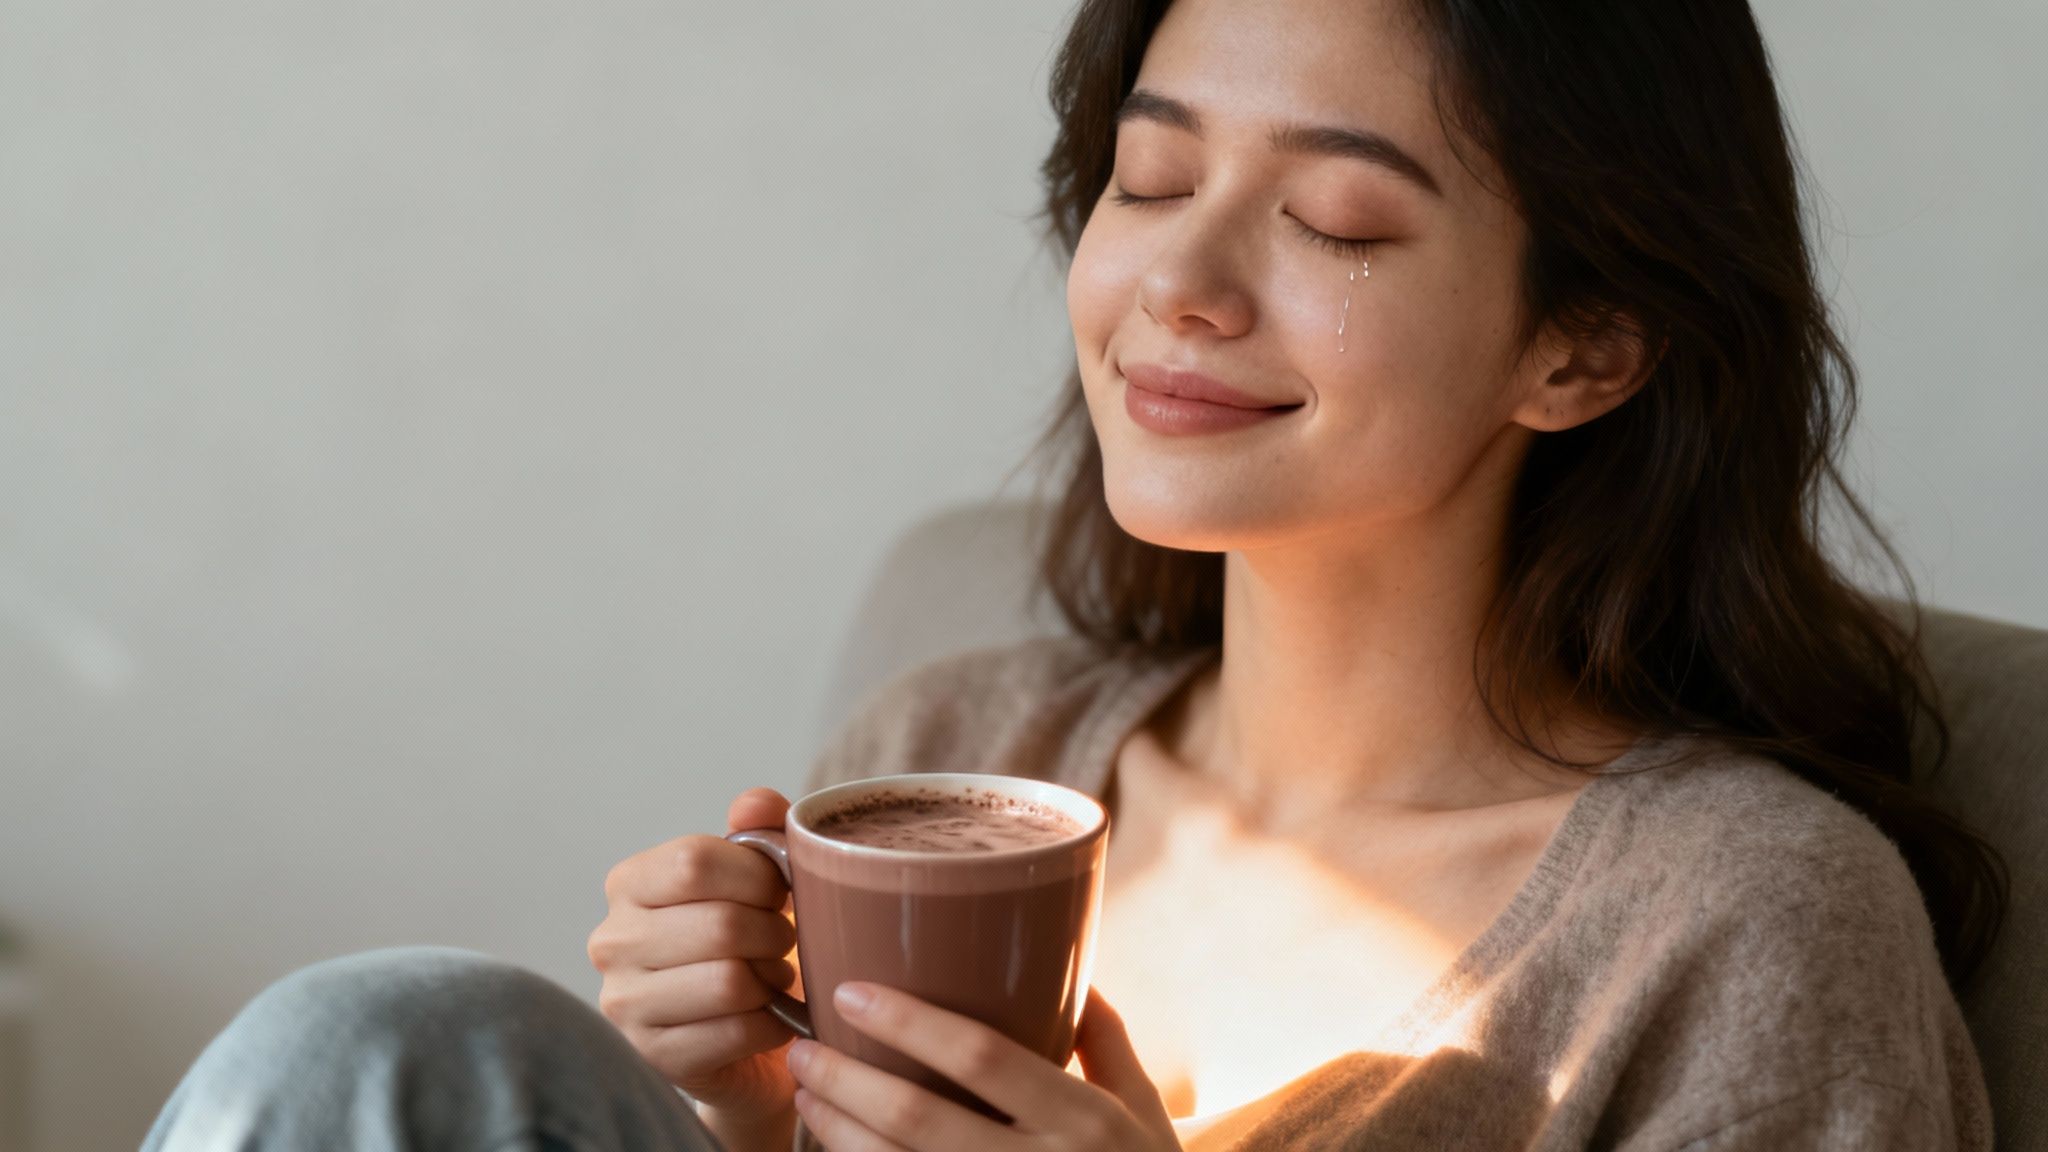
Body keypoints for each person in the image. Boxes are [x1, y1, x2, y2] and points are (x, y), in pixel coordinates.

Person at [143, 0, 2007, 1149]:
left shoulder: (1741, 925)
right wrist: (728, 1108)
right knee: (394, 1044)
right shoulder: (953, 743)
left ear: (1584, 347)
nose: (1175, 283)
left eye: (1335, 220)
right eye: (1147, 179)